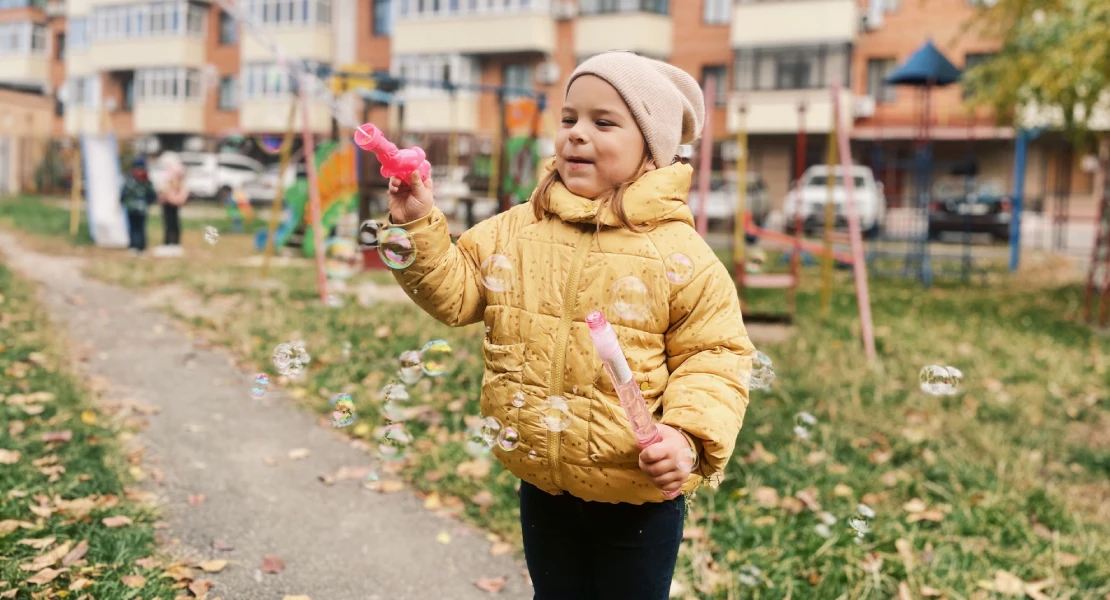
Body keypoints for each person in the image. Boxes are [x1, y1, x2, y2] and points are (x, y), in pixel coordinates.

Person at [386, 51, 754, 599]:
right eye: (568, 118)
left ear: (651, 148)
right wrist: (417, 221)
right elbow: (457, 295)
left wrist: (688, 436)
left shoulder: (682, 255)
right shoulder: (517, 228)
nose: (577, 134)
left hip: (638, 491)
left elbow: (716, 356)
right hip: (544, 479)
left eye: (603, 122)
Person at [120, 157, 157, 256]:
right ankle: (136, 247)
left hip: (138, 208)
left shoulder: (139, 180)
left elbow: (152, 195)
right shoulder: (142, 180)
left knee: (138, 228)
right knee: (135, 228)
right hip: (134, 208)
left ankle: (139, 247)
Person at [157, 159, 188, 256]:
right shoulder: (173, 180)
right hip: (170, 203)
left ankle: (173, 243)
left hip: (171, 203)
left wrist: (171, 198)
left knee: (172, 224)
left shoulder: (174, 179)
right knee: (170, 224)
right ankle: (170, 243)